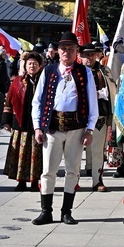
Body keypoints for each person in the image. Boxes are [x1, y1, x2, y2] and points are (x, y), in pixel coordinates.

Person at [31, 31, 99, 225]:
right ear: (57, 51)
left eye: (70, 48)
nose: (66, 52)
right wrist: (38, 127)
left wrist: (90, 130)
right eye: (63, 48)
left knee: (72, 171)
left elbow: (93, 103)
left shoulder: (84, 72)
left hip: (77, 128)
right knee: (48, 171)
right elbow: (37, 101)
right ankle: (46, 211)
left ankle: (66, 211)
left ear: (77, 51)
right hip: (52, 127)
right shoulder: (49, 70)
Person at [2, 51, 44, 191]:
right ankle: (20, 181)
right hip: (20, 124)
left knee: (36, 156)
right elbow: (9, 101)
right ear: (25, 65)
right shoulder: (17, 82)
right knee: (19, 155)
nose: (32, 66)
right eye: (29, 63)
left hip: (36, 126)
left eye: (35, 64)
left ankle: (34, 181)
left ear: (40, 66)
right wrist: (6, 121)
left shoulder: (44, 82)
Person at [79, 43, 113, 192]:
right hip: (77, 116)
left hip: (100, 115)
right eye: (86, 54)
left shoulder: (104, 71)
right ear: (81, 56)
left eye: (92, 54)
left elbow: (113, 90)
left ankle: (97, 180)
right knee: (74, 150)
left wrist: (103, 94)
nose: (90, 57)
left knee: (98, 150)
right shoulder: (75, 71)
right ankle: (73, 180)